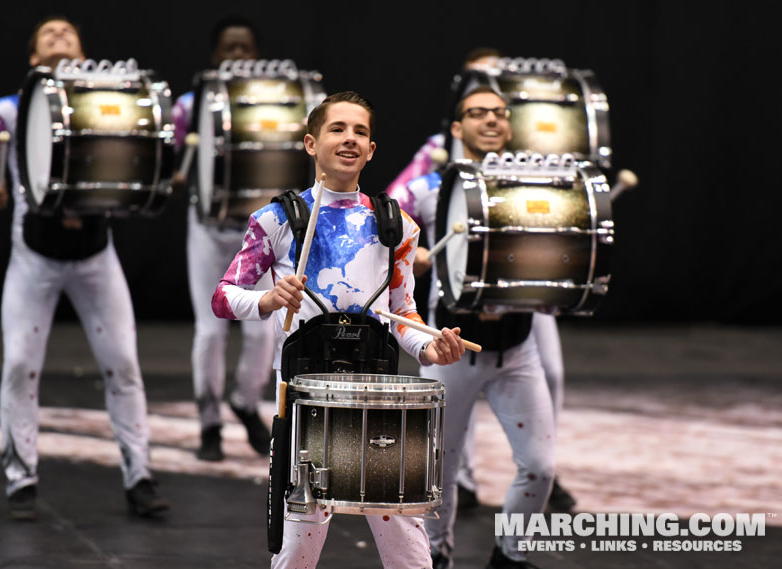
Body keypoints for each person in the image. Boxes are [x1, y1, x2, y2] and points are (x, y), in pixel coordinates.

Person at [212, 91, 466, 568]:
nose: (349, 139)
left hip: (377, 390)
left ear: (371, 150)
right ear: (311, 143)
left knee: (407, 541)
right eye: (337, 129)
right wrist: (268, 298)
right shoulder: (275, 220)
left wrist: (432, 348)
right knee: (297, 546)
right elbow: (223, 297)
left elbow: (402, 313)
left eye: (360, 132)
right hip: (304, 393)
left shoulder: (398, 227)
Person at [0, 16, 168, 520]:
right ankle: (20, 479)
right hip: (34, 258)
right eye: (46, 34)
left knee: (123, 366)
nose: (57, 36)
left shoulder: (108, 102)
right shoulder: (8, 112)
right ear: (32, 58)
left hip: (96, 255)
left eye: (67, 32)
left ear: (81, 50)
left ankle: (139, 476)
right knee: (18, 366)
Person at [386, 47, 578, 516]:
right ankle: (441, 557)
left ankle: (510, 556)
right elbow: (381, 225)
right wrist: (410, 256)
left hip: (517, 343)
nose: (490, 121)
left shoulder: (535, 188)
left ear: (509, 125)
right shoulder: (430, 188)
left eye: (498, 114)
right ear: (456, 127)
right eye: (477, 114)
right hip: (452, 344)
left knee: (540, 468)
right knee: (440, 472)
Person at [172, 15, 274, 461]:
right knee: (210, 332)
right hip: (210, 230)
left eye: (245, 49)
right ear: (216, 56)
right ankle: (209, 422)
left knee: (262, 332)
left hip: (258, 232)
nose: (237, 57)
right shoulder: (190, 106)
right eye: (229, 49)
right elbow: (170, 159)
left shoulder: (274, 104)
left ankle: (246, 403)